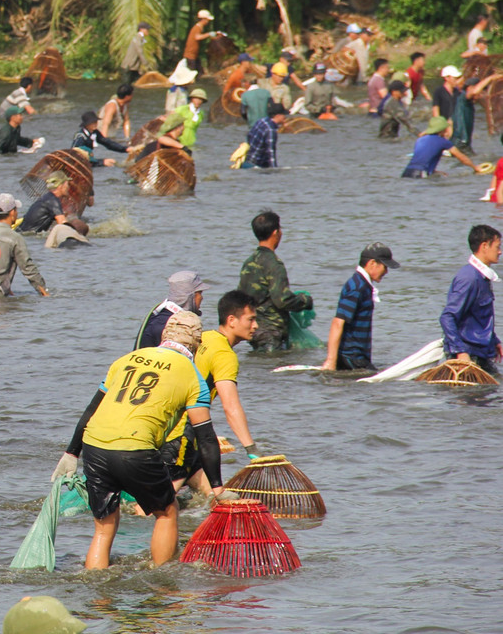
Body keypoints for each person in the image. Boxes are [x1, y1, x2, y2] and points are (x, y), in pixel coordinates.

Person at [51, 315, 226, 569]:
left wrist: (71, 453)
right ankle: (163, 583)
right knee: (167, 511)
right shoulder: (193, 376)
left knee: (104, 526)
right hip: (135, 448)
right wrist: (218, 488)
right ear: (196, 345)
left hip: (94, 445)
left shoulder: (126, 360)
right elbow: (205, 436)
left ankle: (97, 594)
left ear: (164, 336)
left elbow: (92, 410)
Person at [159, 294, 265, 497]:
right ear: (232, 321)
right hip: (182, 433)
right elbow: (230, 406)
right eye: (251, 319)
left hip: (172, 426)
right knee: (155, 506)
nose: (256, 326)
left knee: (211, 495)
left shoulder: (205, 337)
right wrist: (251, 449)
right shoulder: (225, 355)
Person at [237, 210, 313, 351]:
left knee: (260, 368)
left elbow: (241, 297)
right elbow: (282, 299)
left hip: (253, 330)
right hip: (271, 332)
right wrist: (305, 301)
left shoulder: (248, 262)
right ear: (275, 233)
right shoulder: (274, 264)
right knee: (273, 367)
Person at [320, 243, 399, 372]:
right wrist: (330, 361)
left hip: (356, 357)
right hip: (352, 357)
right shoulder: (357, 287)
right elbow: (337, 323)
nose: (386, 272)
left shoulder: (362, 284)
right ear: (372, 263)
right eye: (385, 267)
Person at [438, 224, 502, 374]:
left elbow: (477, 316)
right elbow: (447, 317)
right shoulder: (469, 278)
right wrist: (460, 352)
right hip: (467, 355)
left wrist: (494, 340)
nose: (500, 252)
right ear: (485, 246)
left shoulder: (482, 276)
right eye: (498, 246)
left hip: (479, 353)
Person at [0, 194, 48, 297]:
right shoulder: (15, 238)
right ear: (12, 212)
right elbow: (28, 268)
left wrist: (7, 289)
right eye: (16, 210)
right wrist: (43, 291)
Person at [134, 271, 207, 349]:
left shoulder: (159, 314)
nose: (201, 298)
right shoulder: (169, 325)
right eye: (200, 293)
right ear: (189, 297)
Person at [18, 171, 90, 245]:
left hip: (24, 235)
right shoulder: (52, 200)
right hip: (29, 238)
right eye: (67, 184)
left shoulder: (48, 197)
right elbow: (63, 224)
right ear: (61, 185)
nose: (68, 187)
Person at [403, 115, 482, 177]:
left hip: (406, 172)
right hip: (420, 174)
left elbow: (422, 160)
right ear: (441, 130)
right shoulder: (443, 142)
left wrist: (434, 172)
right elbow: (461, 157)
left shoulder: (420, 140)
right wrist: (475, 167)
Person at [244, 102, 288, 169]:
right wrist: (274, 169)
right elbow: (271, 152)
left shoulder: (261, 121)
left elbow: (249, 136)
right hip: (256, 165)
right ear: (278, 116)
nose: (285, 117)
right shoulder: (271, 130)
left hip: (247, 161)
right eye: (284, 114)